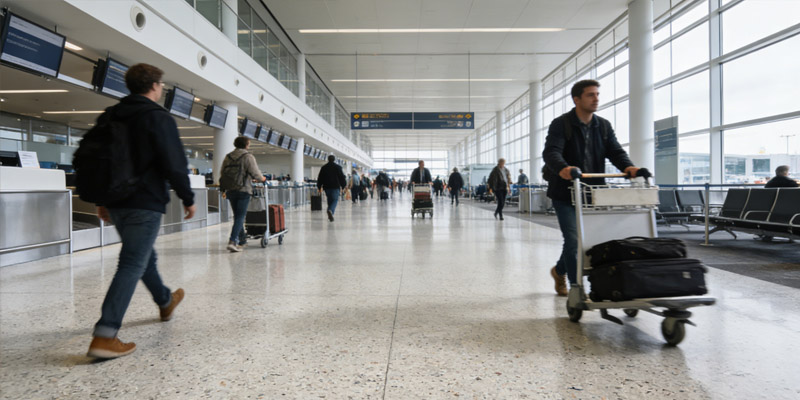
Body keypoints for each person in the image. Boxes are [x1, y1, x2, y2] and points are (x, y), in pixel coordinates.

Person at [87, 63, 195, 359]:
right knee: (133, 261)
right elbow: (174, 163)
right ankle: (105, 334)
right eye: (161, 85)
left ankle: (165, 301)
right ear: (155, 85)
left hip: (116, 201)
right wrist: (187, 197)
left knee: (143, 255)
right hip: (144, 200)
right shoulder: (157, 118)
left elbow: (99, 161)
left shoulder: (110, 115)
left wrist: (101, 200)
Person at [543, 79, 643, 296]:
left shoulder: (603, 126)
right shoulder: (562, 124)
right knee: (573, 239)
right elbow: (551, 151)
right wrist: (563, 168)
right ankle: (576, 287)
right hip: (565, 193)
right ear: (576, 99)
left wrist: (629, 167)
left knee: (585, 240)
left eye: (597, 94)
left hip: (592, 193)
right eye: (590, 95)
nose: (596, 98)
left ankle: (558, 271)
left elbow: (615, 151)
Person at [221, 136, 266, 252]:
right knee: (240, 217)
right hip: (243, 190)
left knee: (237, 216)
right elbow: (255, 173)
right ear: (246, 145)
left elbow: (222, 172)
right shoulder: (248, 157)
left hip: (230, 189)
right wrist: (263, 178)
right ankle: (232, 241)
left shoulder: (228, 157)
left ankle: (242, 240)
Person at [317, 155, 347, 222]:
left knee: (330, 199)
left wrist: (319, 187)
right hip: (335, 186)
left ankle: (330, 214)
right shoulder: (338, 167)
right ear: (334, 159)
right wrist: (343, 186)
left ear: (328, 159)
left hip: (326, 187)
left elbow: (320, 178)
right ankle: (330, 210)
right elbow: (342, 177)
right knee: (335, 199)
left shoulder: (324, 167)